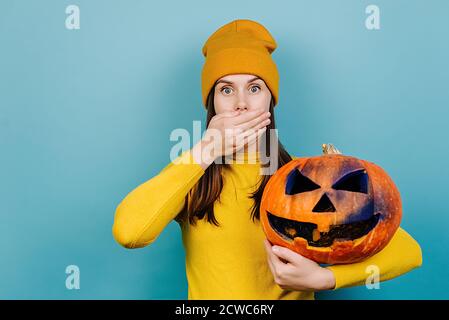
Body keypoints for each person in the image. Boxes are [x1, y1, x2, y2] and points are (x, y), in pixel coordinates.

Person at [112, 19, 422, 300]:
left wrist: (325, 278)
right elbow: (130, 232)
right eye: (226, 90)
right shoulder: (191, 175)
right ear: (212, 102)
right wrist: (206, 149)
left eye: (255, 87)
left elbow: (409, 251)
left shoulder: (303, 178)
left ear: (270, 100)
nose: (241, 104)